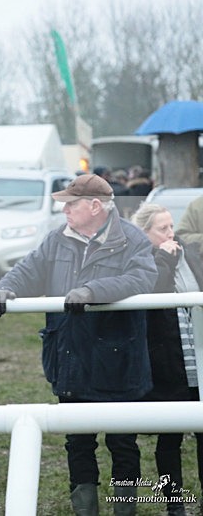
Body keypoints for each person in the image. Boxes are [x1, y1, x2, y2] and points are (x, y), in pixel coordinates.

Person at [0, 173, 157, 515]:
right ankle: (85, 510)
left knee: (122, 444)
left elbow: (142, 278)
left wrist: (92, 292)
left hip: (118, 360)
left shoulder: (133, 239)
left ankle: (125, 509)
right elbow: (27, 269)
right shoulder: (56, 239)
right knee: (77, 442)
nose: (64, 209)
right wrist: (4, 287)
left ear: (95, 206)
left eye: (70, 203)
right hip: (71, 357)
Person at [131, 202, 203, 515]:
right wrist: (166, 260)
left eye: (171, 226)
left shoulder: (191, 255)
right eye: (162, 229)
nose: (172, 234)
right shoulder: (141, 261)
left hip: (197, 361)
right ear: (144, 233)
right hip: (166, 362)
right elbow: (155, 295)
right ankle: (173, 503)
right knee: (169, 439)